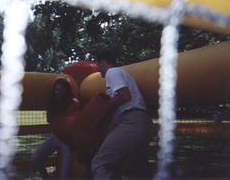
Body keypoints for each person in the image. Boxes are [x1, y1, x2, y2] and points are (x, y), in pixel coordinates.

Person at [91, 48, 155, 180]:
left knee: (100, 162)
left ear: (102, 62)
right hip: (143, 122)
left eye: (97, 64)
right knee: (141, 169)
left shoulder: (112, 72)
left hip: (132, 121)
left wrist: (105, 106)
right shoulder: (121, 72)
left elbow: (125, 96)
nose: (98, 69)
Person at [30, 78, 80, 180]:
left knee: (64, 175)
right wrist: (57, 121)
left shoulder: (73, 102)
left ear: (66, 90)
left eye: (61, 89)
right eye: (56, 89)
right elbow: (49, 119)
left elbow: (78, 122)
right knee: (35, 158)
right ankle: (46, 177)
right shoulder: (52, 101)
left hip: (67, 142)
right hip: (54, 138)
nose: (58, 92)